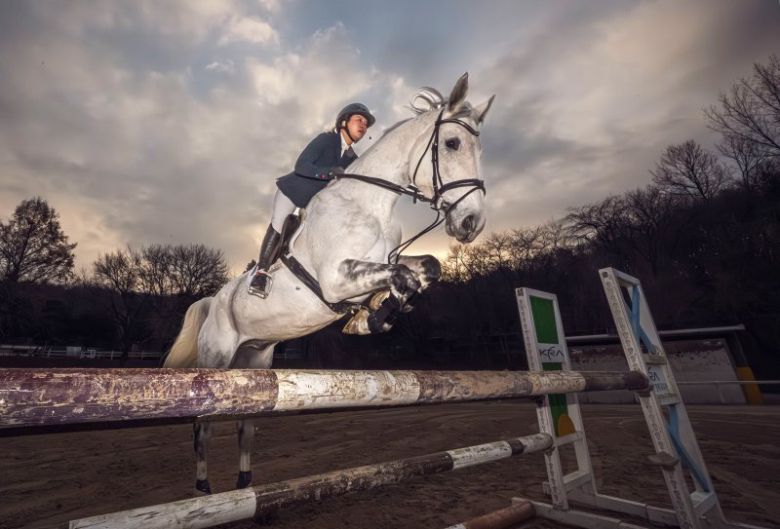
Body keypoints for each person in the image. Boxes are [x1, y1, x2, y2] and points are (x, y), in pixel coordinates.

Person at [249, 102, 376, 297]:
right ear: (344, 122)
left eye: (366, 123)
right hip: (293, 191)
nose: (363, 125)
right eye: (359, 120)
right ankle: (261, 273)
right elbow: (301, 165)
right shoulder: (326, 139)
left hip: (314, 204)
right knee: (279, 223)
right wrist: (328, 173)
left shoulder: (353, 158)